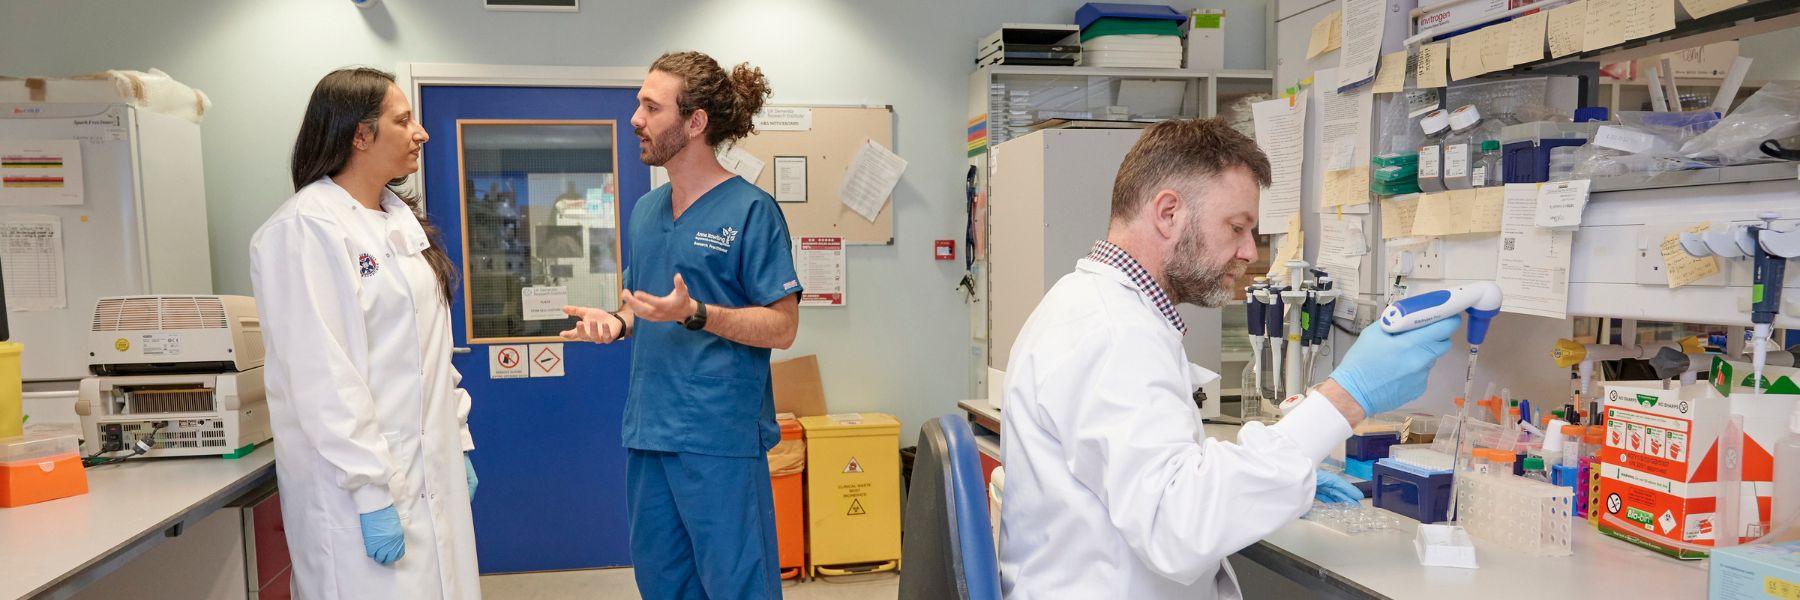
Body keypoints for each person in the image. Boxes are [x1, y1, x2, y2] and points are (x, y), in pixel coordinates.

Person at [998, 118, 1459, 599]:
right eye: (1237, 227)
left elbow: (1162, 469)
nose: (1247, 251)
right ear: (1169, 213)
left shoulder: (1095, 306)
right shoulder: (1113, 333)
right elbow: (1179, 523)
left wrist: (1279, 477)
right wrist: (1347, 397)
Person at [560, 51, 800, 599]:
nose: (635, 119)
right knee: (663, 583)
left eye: (650, 106)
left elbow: (783, 327)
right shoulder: (647, 210)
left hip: (719, 437)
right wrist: (616, 323)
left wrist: (699, 313)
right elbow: (642, 306)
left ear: (695, 123)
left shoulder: (751, 211)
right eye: (637, 104)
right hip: (649, 431)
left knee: (738, 586)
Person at [250, 67, 480, 599]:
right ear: (360, 135)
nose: (420, 132)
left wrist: (458, 439)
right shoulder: (305, 230)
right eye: (403, 120)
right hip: (354, 495)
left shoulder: (400, 224)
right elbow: (324, 378)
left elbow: (430, 354)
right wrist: (372, 493)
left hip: (430, 474)